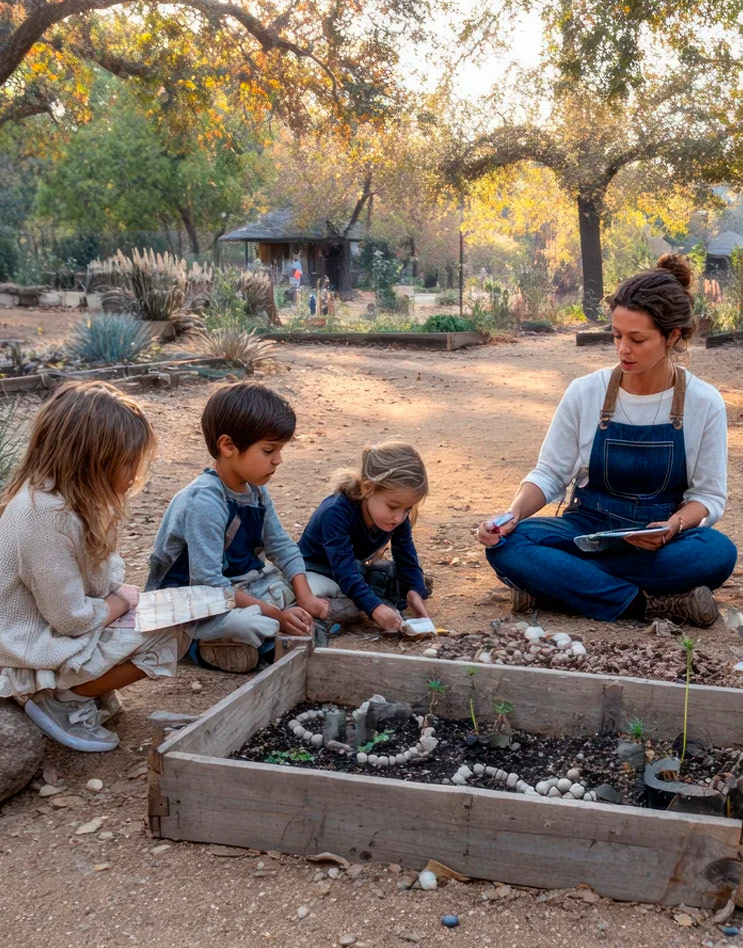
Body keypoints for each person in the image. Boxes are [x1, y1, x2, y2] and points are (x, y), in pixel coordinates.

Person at [478, 254, 737, 627]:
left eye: (637, 339)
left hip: (657, 540)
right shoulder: (585, 392)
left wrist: (674, 526)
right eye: (616, 335)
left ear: (673, 335)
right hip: (586, 530)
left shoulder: (703, 401)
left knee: (716, 552)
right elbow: (550, 474)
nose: (623, 350)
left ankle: (562, 584)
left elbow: (708, 498)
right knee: (509, 544)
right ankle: (642, 605)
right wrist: (510, 516)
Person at [0, 381, 186, 752]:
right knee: (171, 632)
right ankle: (63, 696)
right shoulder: (43, 517)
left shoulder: (70, 502)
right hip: (30, 646)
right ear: (91, 461)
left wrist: (119, 596)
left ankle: (82, 687)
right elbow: (71, 618)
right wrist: (122, 602)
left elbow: (106, 576)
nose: (134, 475)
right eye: (127, 463)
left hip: (55, 630)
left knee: (170, 617)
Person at [147, 382, 329, 673]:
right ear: (228, 446)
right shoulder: (204, 501)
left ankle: (256, 640)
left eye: (279, 450)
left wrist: (305, 597)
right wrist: (279, 615)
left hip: (240, 587)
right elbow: (208, 587)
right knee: (250, 623)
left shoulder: (256, 492)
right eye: (269, 450)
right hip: (191, 601)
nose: (278, 460)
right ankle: (193, 647)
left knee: (317, 585)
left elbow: (282, 548)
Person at [299, 442, 432, 633]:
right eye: (393, 507)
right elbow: (344, 571)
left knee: (405, 581)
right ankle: (323, 611)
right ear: (367, 488)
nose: (400, 517)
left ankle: (357, 602)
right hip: (317, 572)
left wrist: (416, 591)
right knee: (350, 602)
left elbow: (406, 554)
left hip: (354, 569)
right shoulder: (335, 512)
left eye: (407, 508)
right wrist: (376, 609)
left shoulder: (396, 517)